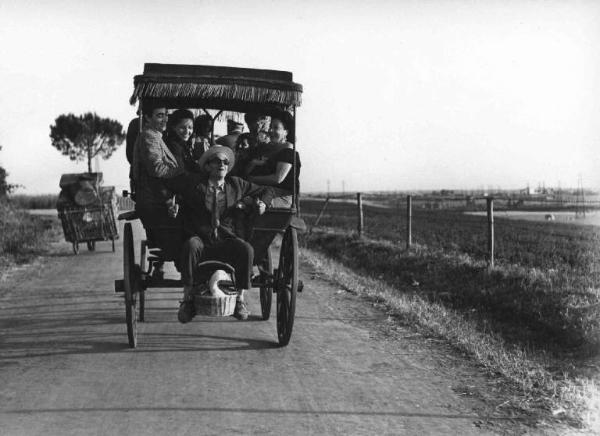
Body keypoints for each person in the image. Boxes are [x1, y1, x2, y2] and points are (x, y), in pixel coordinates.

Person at [176, 146, 275, 323]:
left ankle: (239, 300)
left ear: (228, 167)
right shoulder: (195, 185)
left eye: (225, 162)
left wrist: (263, 204)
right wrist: (172, 202)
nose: (222, 165)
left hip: (226, 239)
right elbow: (174, 190)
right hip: (202, 239)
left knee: (246, 249)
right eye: (217, 161)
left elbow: (267, 191)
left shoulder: (236, 184)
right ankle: (188, 300)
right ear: (207, 166)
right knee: (190, 245)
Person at [131, 102, 185, 262]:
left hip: (159, 196)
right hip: (155, 201)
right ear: (147, 118)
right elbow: (157, 169)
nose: (165, 119)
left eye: (167, 115)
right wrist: (183, 173)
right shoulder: (149, 136)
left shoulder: (155, 136)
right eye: (160, 115)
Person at [245, 111, 300, 208]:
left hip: (280, 196)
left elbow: (277, 178)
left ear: (286, 132)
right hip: (267, 192)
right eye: (270, 127)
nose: (270, 130)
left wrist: (251, 179)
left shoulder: (288, 151)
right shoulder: (272, 149)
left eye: (276, 128)